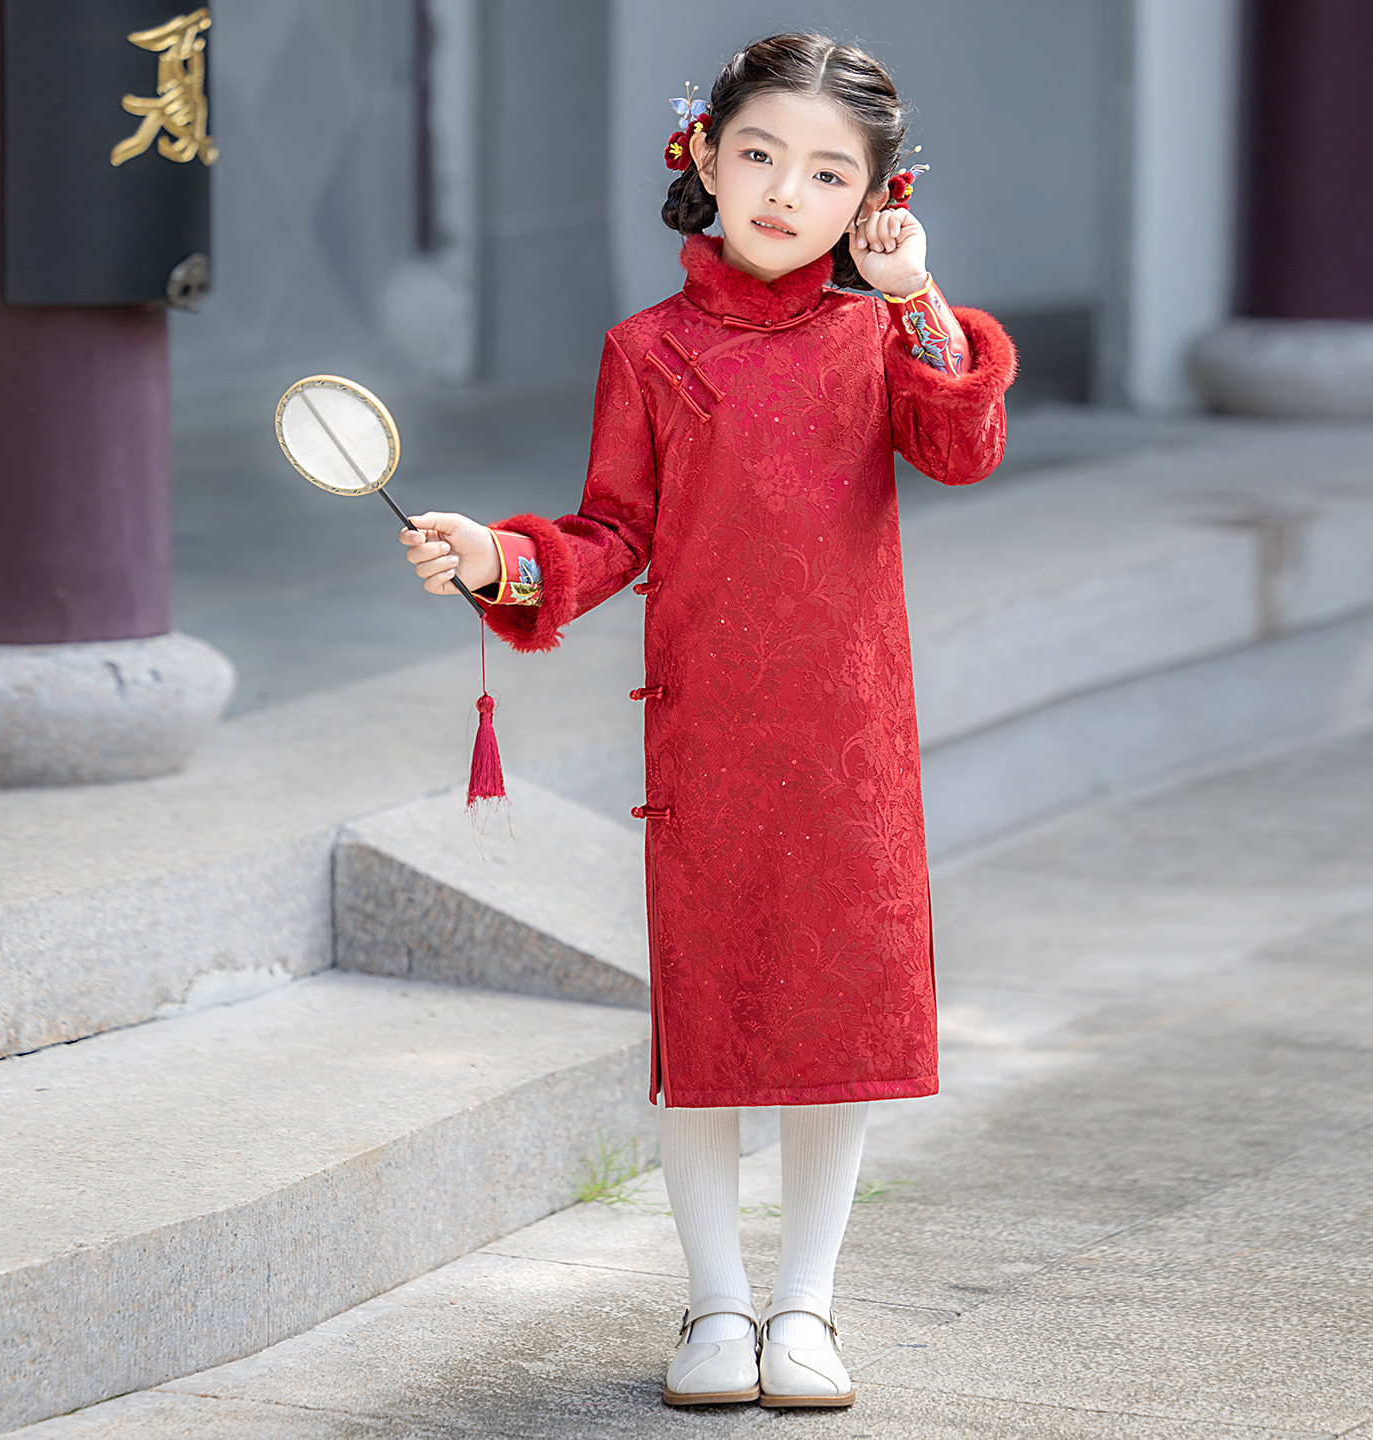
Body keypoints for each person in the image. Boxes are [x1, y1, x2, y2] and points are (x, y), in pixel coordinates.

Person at [400, 32, 1015, 1410]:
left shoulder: (878, 338)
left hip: (852, 742)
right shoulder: (651, 352)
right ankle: (716, 1308)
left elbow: (962, 446)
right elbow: (615, 534)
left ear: (876, 200)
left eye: (826, 172)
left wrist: (918, 300)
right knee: (715, 1035)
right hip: (710, 741)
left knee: (834, 1025)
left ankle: (808, 1307)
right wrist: (501, 559)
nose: (784, 192)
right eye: (759, 155)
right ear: (703, 157)